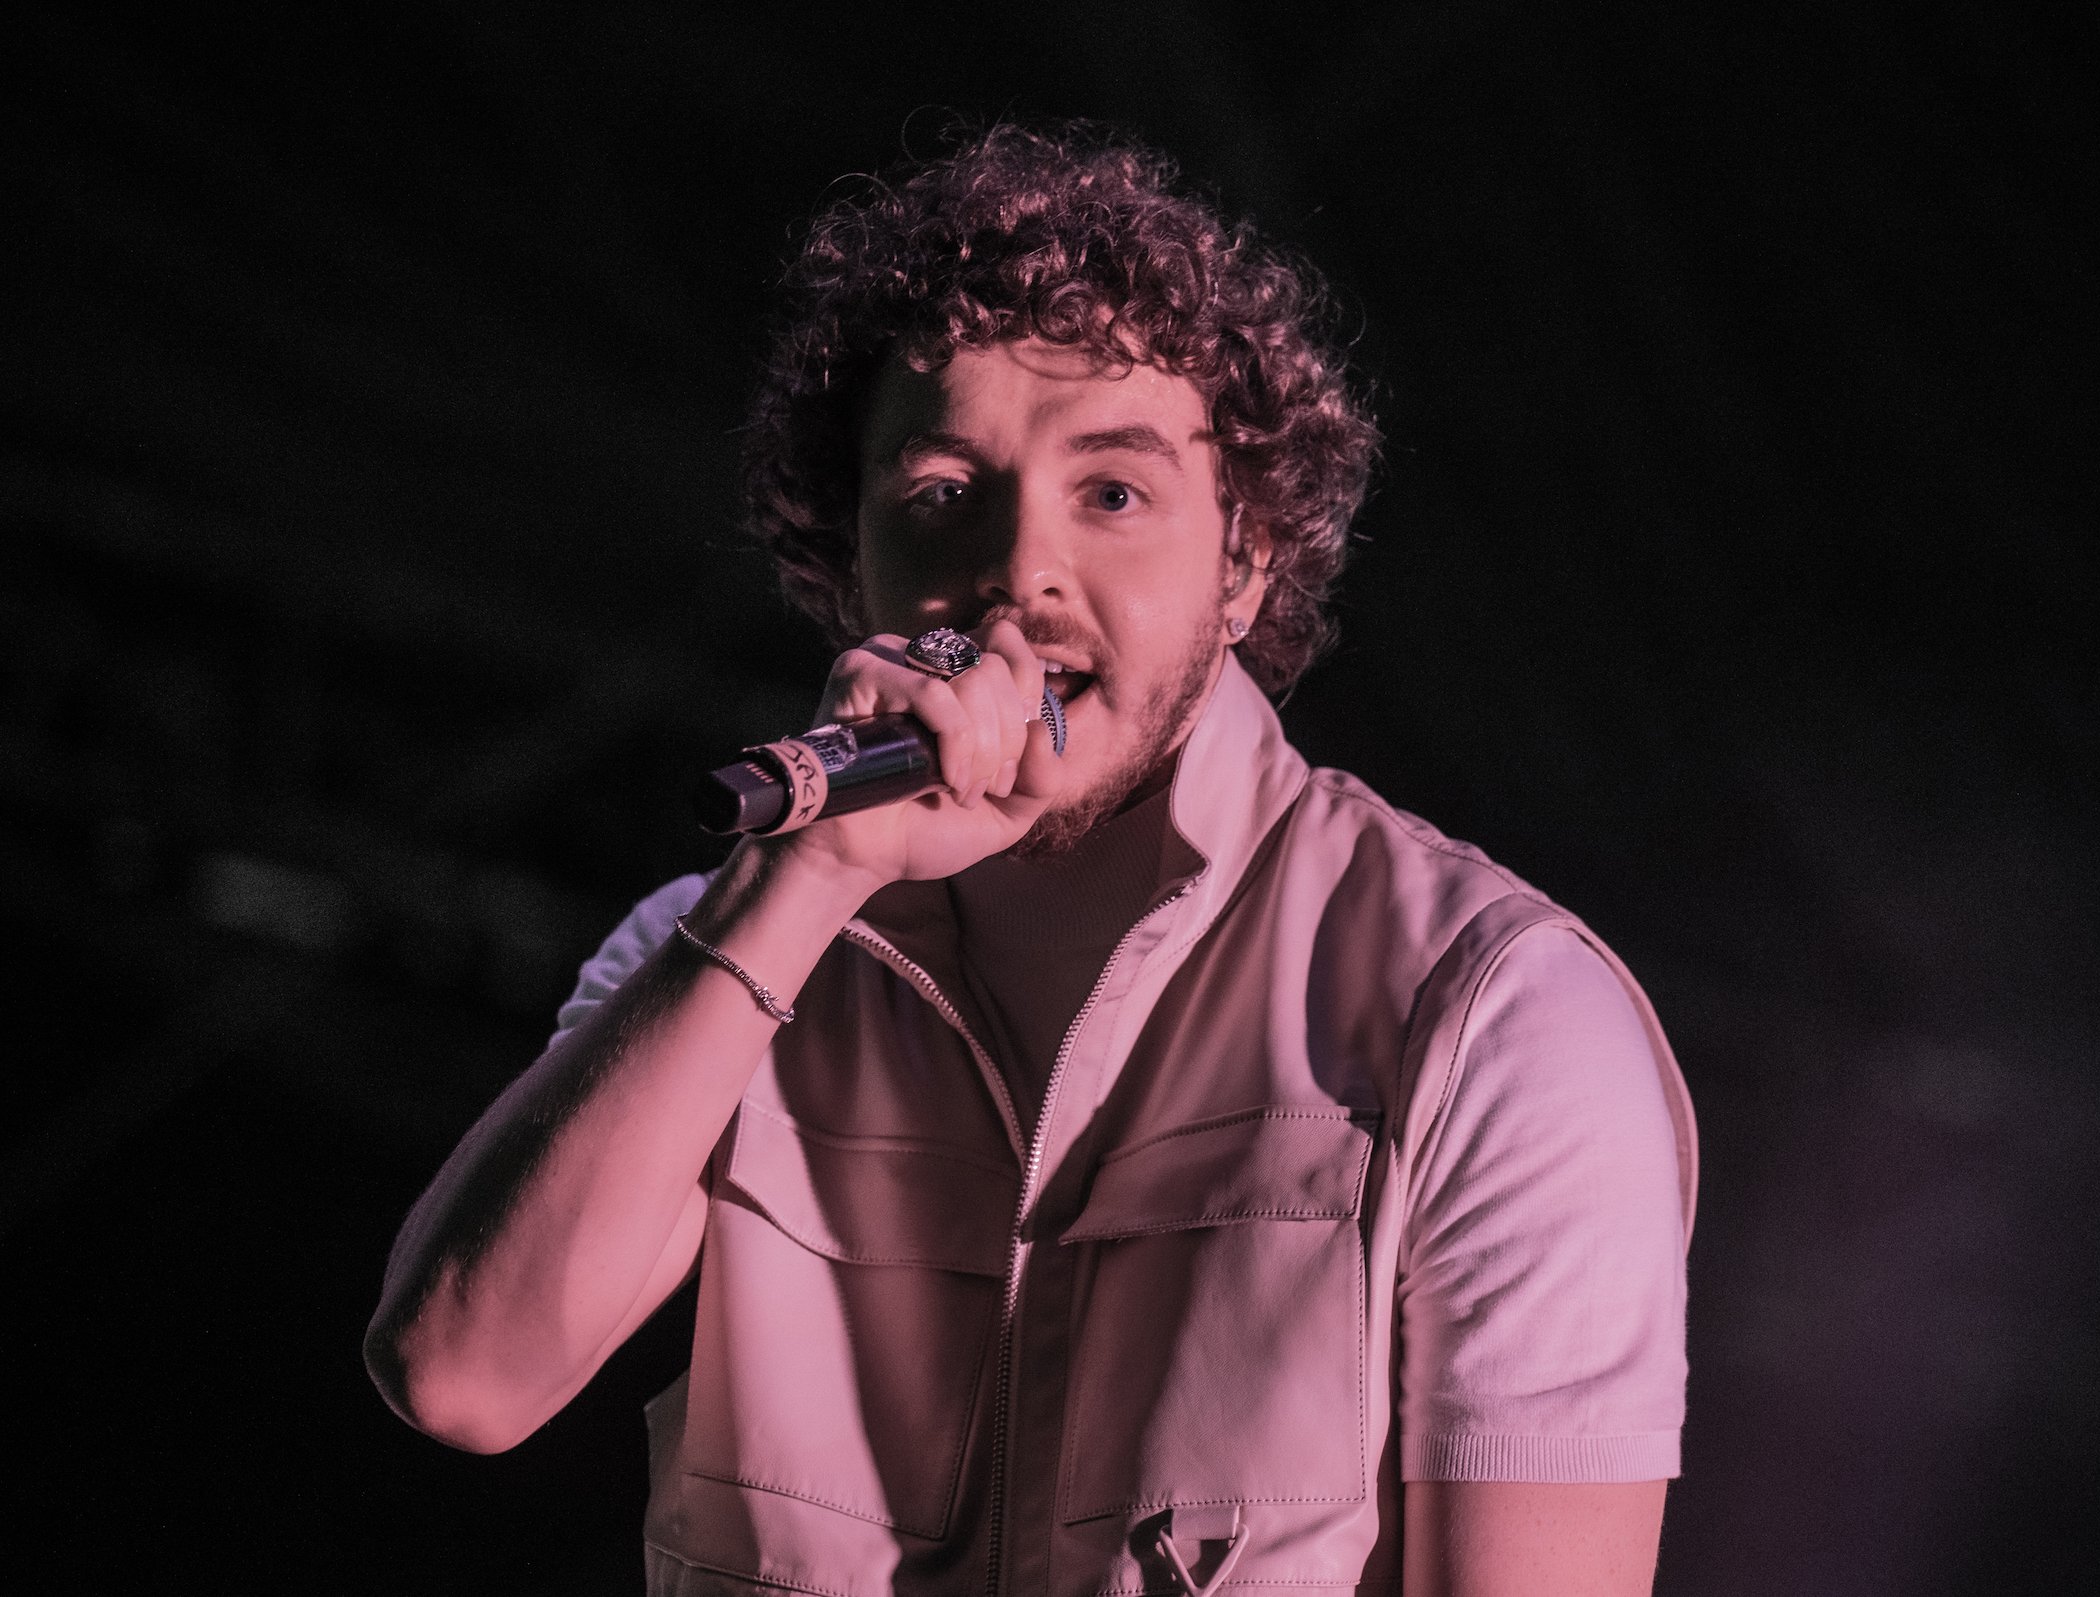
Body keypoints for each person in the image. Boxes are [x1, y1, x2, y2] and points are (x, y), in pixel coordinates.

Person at [366, 123, 1697, 1597]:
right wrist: (801, 881)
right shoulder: (721, 954)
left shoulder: (1496, 1016)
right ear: (847, 557)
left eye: (1113, 493)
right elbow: (459, 1374)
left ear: (1244, 559)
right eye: (942, 494)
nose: (1018, 573)